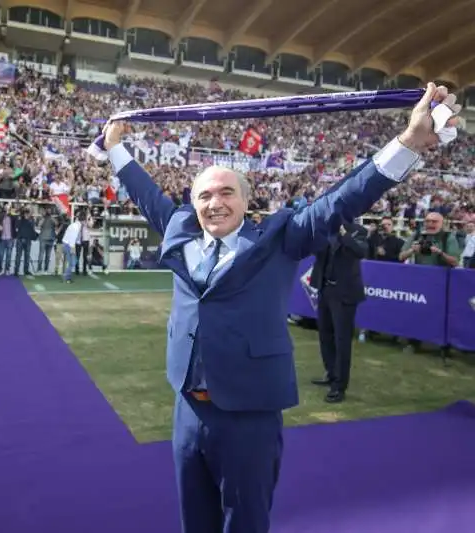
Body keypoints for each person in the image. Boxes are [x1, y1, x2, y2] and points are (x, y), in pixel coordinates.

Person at [99, 82, 459, 533]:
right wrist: (114, 147)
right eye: (205, 195)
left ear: (247, 202)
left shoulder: (279, 238)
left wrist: (408, 142)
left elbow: (342, 200)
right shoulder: (178, 230)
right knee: (195, 518)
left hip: (249, 411)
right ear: (192, 204)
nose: (215, 203)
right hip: (187, 406)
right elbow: (143, 190)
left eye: (227, 192)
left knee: (245, 519)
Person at [309, 221, 369, 403]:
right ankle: (330, 373)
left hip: (345, 294)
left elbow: (361, 252)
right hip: (325, 289)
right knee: (325, 336)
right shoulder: (326, 230)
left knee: (342, 340)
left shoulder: (358, 231)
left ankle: (339, 386)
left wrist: (344, 234)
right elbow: (316, 252)